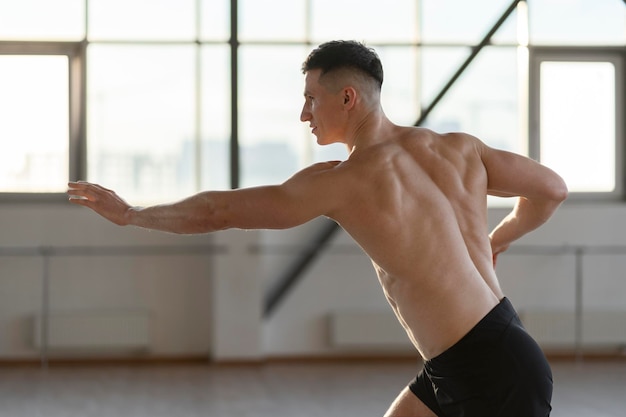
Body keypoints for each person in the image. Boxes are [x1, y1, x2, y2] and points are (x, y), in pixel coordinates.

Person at [67, 40, 567, 416]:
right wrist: (498, 239)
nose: (303, 113)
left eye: (311, 99)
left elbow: (220, 211)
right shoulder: (460, 149)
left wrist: (133, 215)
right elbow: (551, 189)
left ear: (348, 97)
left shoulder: (346, 181)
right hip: (487, 350)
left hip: (488, 371)